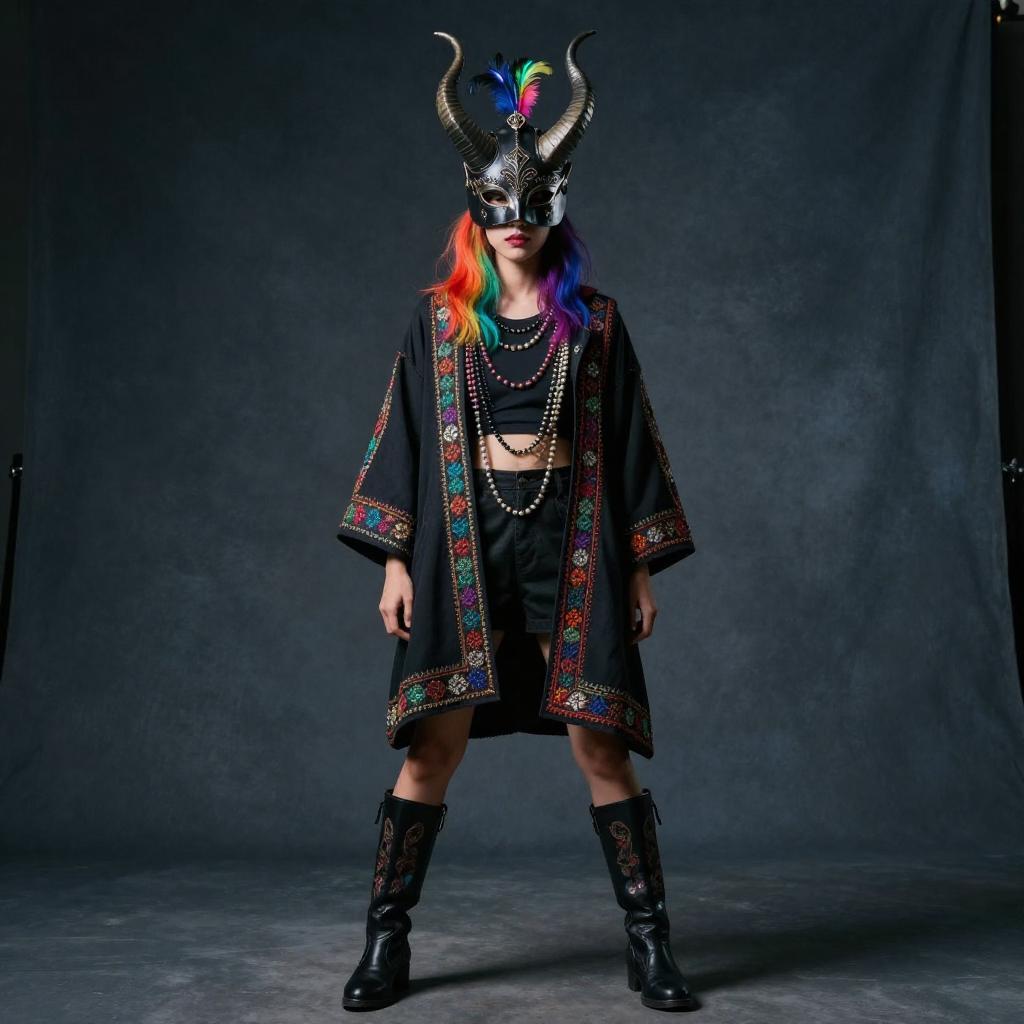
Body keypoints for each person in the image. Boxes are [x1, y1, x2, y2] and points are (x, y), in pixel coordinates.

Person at [337, 30, 699, 1013]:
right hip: (461, 546)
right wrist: (394, 562)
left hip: (569, 540)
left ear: (557, 211)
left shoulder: (598, 324)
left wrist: (638, 566)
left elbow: (631, 444)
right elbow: (404, 438)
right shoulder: (437, 323)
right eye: (498, 208)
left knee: (600, 743)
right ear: (475, 210)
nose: (515, 225)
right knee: (433, 747)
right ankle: (385, 944)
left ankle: (651, 946)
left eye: (534, 208)